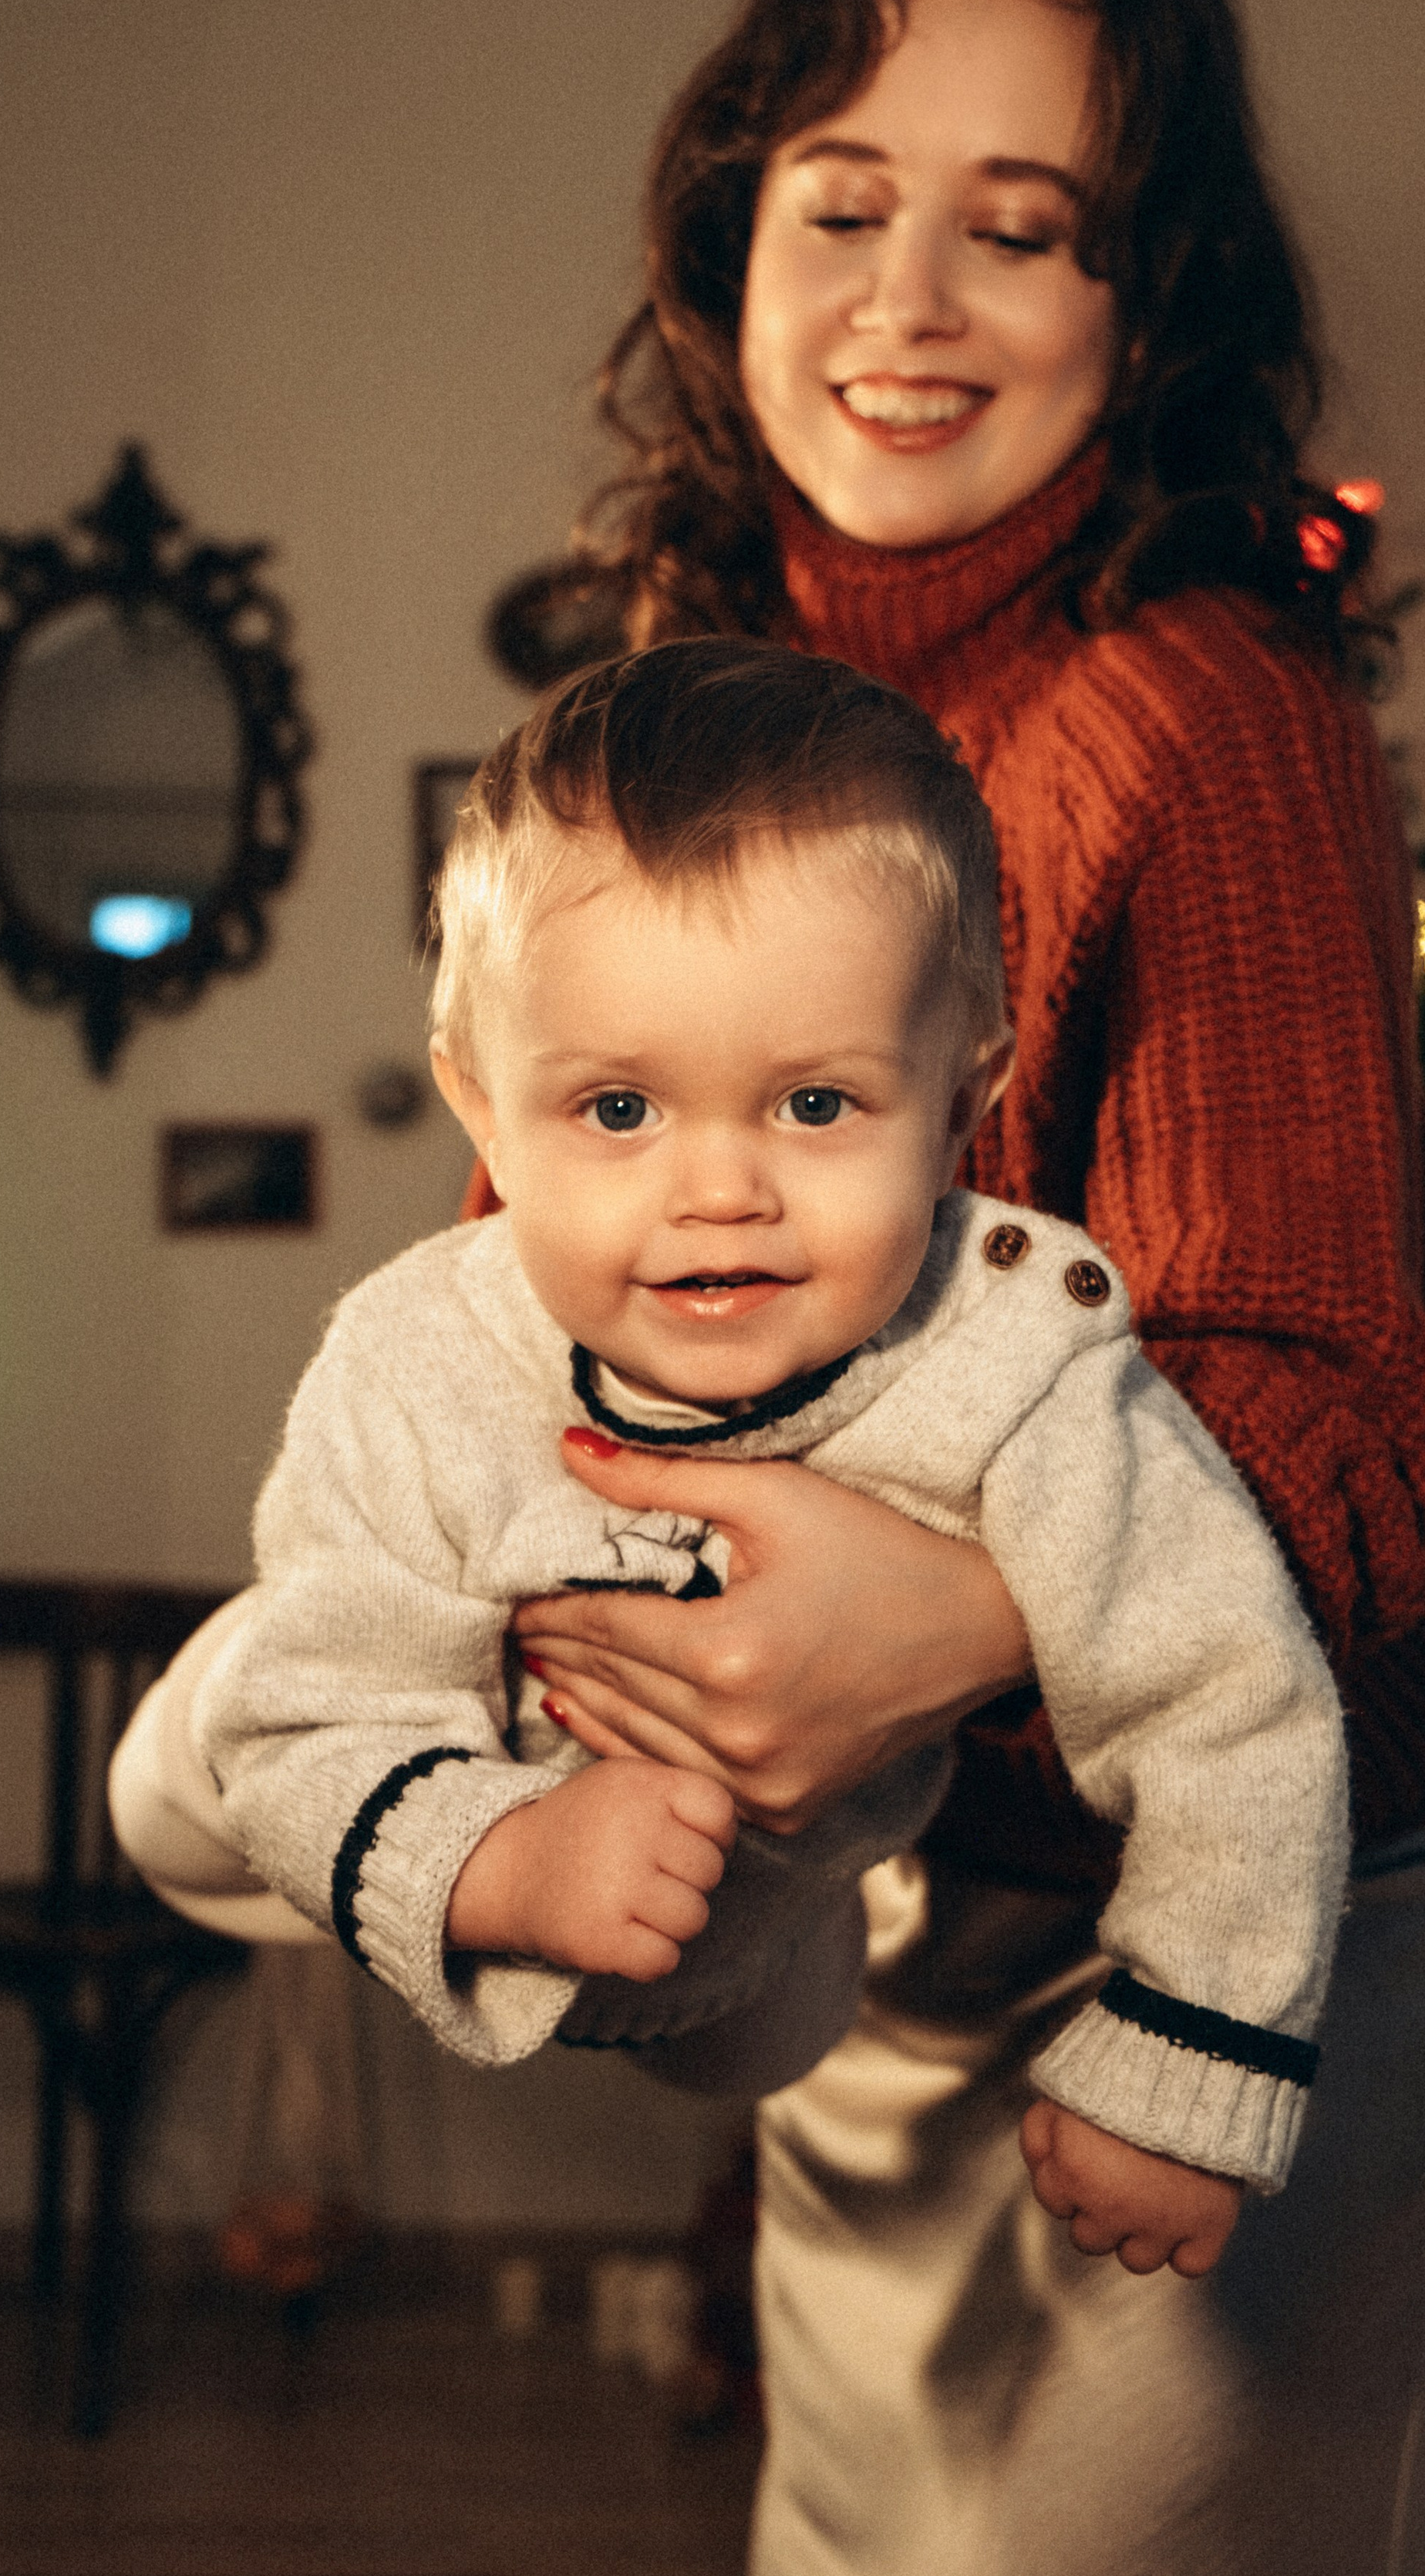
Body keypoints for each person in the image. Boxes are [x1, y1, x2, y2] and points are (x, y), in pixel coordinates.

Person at [456, 0, 1425, 2576]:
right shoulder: (699, 734)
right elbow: (564, 1264)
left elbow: (1357, 1431)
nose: (913, 304)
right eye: (845, 200)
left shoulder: (1215, 712)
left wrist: (925, 1613)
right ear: (730, 244)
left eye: (1024, 223)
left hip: (1292, 1905)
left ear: (1134, 297)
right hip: (904, 1922)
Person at [165, 636, 1347, 2284]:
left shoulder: (1016, 1368)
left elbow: (1229, 1698)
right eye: (617, 1112)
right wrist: (506, 1863)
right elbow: (310, 1739)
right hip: (435, 1758)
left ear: (958, 1106)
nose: (718, 1190)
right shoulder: (421, 1355)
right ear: (482, 1114)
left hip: (782, 1904)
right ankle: (250, 1689)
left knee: (747, 2034)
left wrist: (1186, 2060)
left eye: (812, 1106)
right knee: (197, 1773)